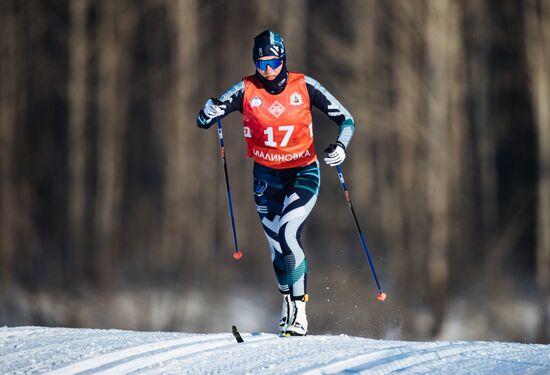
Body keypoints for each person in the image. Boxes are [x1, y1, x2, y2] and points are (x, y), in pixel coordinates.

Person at [197, 30, 355, 336]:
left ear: (283, 59)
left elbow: (346, 119)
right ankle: (286, 302)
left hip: (302, 172)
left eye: (273, 61)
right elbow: (203, 119)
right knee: (276, 249)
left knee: (288, 233)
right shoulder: (246, 89)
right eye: (261, 62)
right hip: (266, 178)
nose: (267, 69)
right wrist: (208, 110)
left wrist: (341, 147)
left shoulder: (304, 85)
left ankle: (300, 311)